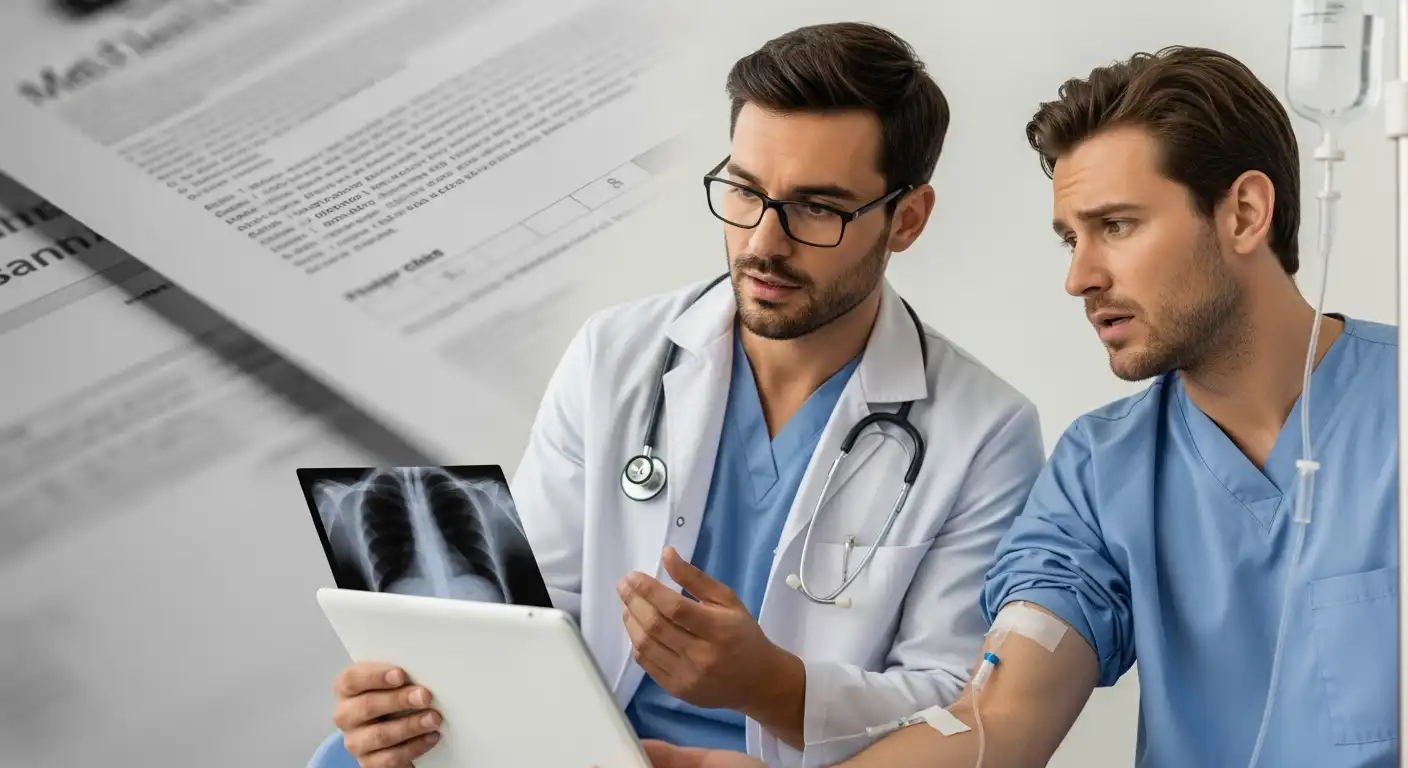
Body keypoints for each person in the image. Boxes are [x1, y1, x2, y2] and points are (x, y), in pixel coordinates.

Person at [643, 44, 1399, 768]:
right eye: (1070, 237)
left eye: (1117, 225)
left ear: (1243, 213)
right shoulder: (1099, 476)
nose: (1080, 277)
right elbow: (999, 722)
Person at [323, 20, 1047, 768]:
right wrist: (408, 703)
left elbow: (957, 707)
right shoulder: (617, 355)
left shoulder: (986, 432)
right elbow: (536, 610)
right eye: (744, 190)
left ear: (908, 219)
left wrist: (772, 686)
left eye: (817, 208)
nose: (764, 242)